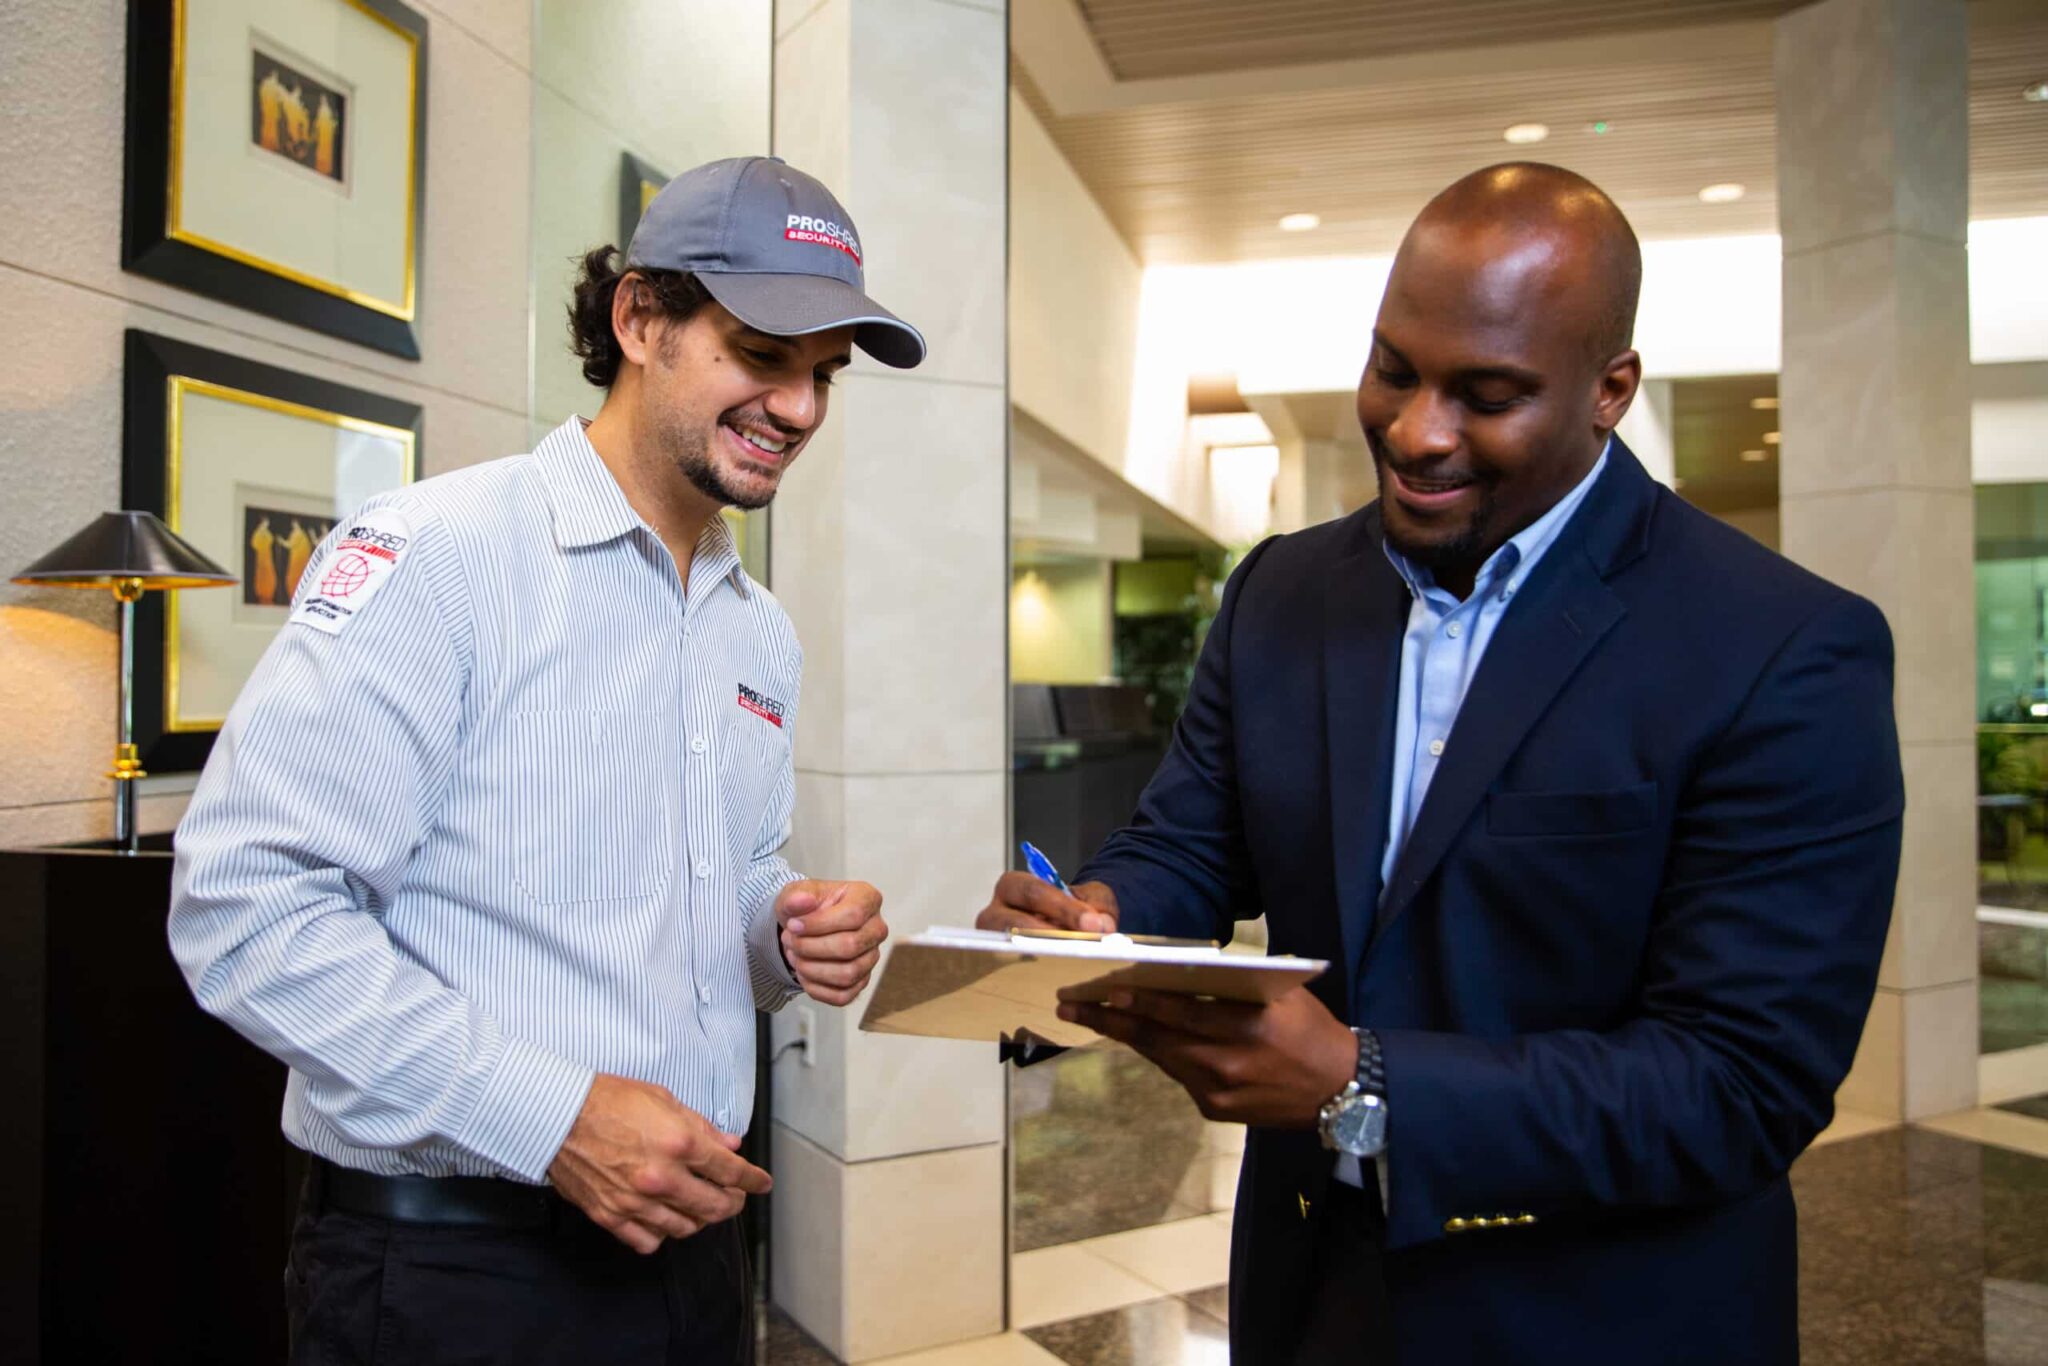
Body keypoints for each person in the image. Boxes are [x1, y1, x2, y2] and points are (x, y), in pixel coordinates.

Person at [980, 163, 1903, 1365]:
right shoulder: (1282, 590)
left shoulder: (1780, 646)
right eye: (1393, 371)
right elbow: (1192, 838)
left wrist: (1358, 1077)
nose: (1416, 432)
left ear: (1608, 389)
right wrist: (1099, 913)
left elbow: (1737, 1087)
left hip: (1598, 1318)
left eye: (1487, 394)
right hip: (1310, 1295)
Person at [170, 156, 924, 1365]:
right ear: (640, 319)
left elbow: (715, 880)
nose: (799, 409)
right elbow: (247, 908)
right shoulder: (436, 555)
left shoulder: (756, 630)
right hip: (454, 1277)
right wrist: (553, 1116)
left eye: (823, 374)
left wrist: (775, 929)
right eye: (761, 353)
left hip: (691, 1262)